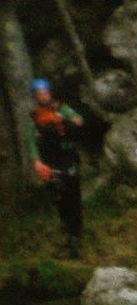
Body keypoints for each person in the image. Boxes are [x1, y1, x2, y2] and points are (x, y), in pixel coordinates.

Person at [27, 78, 85, 257]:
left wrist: (66, 121)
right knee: (59, 195)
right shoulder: (36, 116)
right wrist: (36, 161)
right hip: (50, 160)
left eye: (44, 93)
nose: (42, 96)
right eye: (39, 94)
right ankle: (68, 230)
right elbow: (31, 141)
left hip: (67, 157)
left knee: (72, 191)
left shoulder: (62, 108)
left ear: (50, 93)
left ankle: (76, 232)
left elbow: (78, 120)